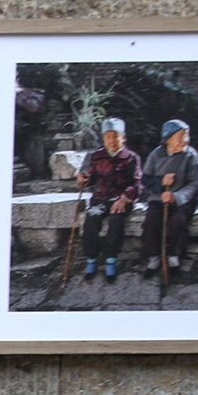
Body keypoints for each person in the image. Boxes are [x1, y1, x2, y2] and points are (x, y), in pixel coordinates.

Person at [75, 117, 140, 283]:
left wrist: (125, 198)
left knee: (116, 220)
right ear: (103, 139)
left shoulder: (132, 157)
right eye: (108, 137)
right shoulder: (97, 156)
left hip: (121, 198)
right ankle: (92, 259)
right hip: (100, 197)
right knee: (92, 219)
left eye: (115, 136)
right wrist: (85, 179)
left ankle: (111, 259)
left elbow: (139, 183)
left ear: (123, 137)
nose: (111, 140)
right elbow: (93, 177)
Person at [140, 118, 198, 278]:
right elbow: (145, 179)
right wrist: (160, 183)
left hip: (182, 199)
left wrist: (177, 196)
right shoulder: (156, 154)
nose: (184, 140)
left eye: (186, 135)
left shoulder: (190, 155)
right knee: (151, 221)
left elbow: (194, 183)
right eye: (180, 136)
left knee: (178, 221)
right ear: (167, 139)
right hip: (159, 198)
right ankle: (154, 257)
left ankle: (173, 256)